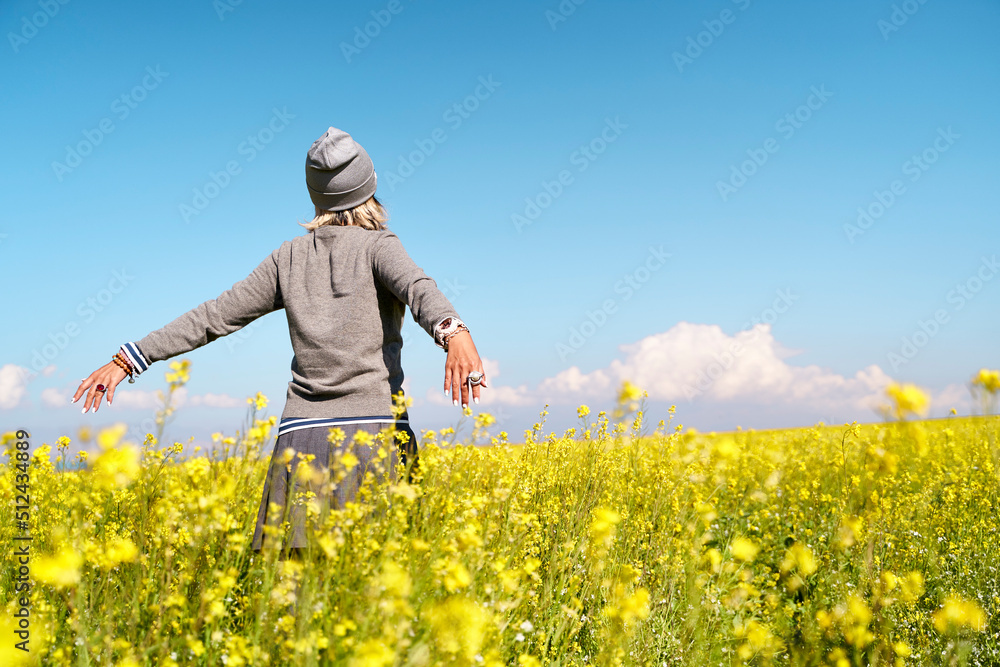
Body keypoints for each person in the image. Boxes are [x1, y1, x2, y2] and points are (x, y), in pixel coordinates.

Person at [71, 126, 487, 554]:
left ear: (316, 195)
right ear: (369, 187)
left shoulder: (286, 258)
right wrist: (454, 332)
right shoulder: (379, 247)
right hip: (373, 438)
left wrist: (128, 359)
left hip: (300, 444)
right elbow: (420, 289)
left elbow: (213, 316)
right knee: (378, 602)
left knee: (296, 606)